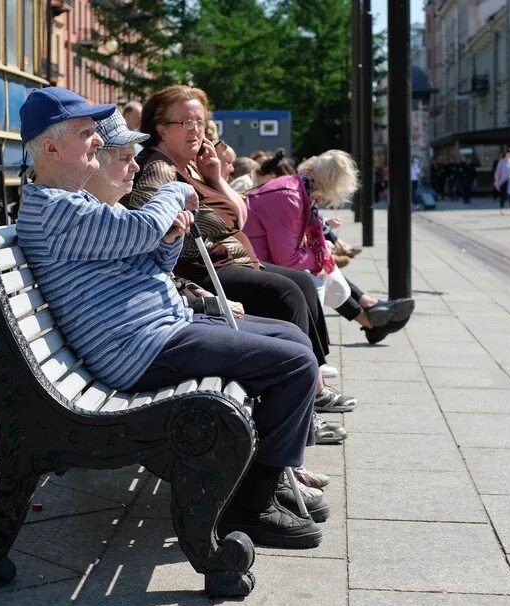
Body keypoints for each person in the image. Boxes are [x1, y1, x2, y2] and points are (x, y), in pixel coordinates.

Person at [15, 88, 326, 548]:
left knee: (289, 338)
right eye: (86, 134)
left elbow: (147, 261)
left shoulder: (72, 205)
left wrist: (167, 242)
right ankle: (254, 503)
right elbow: (141, 226)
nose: (96, 143)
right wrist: (177, 188)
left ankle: (269, 475)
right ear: (50, 147)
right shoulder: (55, 210)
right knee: (294, 364)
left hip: (154, 332)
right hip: (138, 349)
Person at [124, 85, 355, 413]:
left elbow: (239, 217)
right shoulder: (159, 167)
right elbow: (150, 220)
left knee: (302, 283)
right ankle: (307, 393)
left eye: (201, 122)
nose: (196, 130)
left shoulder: (191, 167)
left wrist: (216, 179)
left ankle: (311, 384)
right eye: (186, 123)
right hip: (203, 273)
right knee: (286, 293)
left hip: (231, 261)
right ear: (160, 128)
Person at [243, 149, 416, 344]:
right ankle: (323, 348)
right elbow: (288, 259)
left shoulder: (296, 189)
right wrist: (319, 250)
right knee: (314, 279)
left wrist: (319, 250)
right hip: (252, 267)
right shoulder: (290, 197)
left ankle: (368, 316)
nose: (325, 201)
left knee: (320, 268)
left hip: (256, 259)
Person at [493, 147, 510, 215]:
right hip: (503, 180)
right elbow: (498, 171)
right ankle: (502, 209)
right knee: (503, 195)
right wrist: (496, 180)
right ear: (507, 153)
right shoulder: (502, 161)